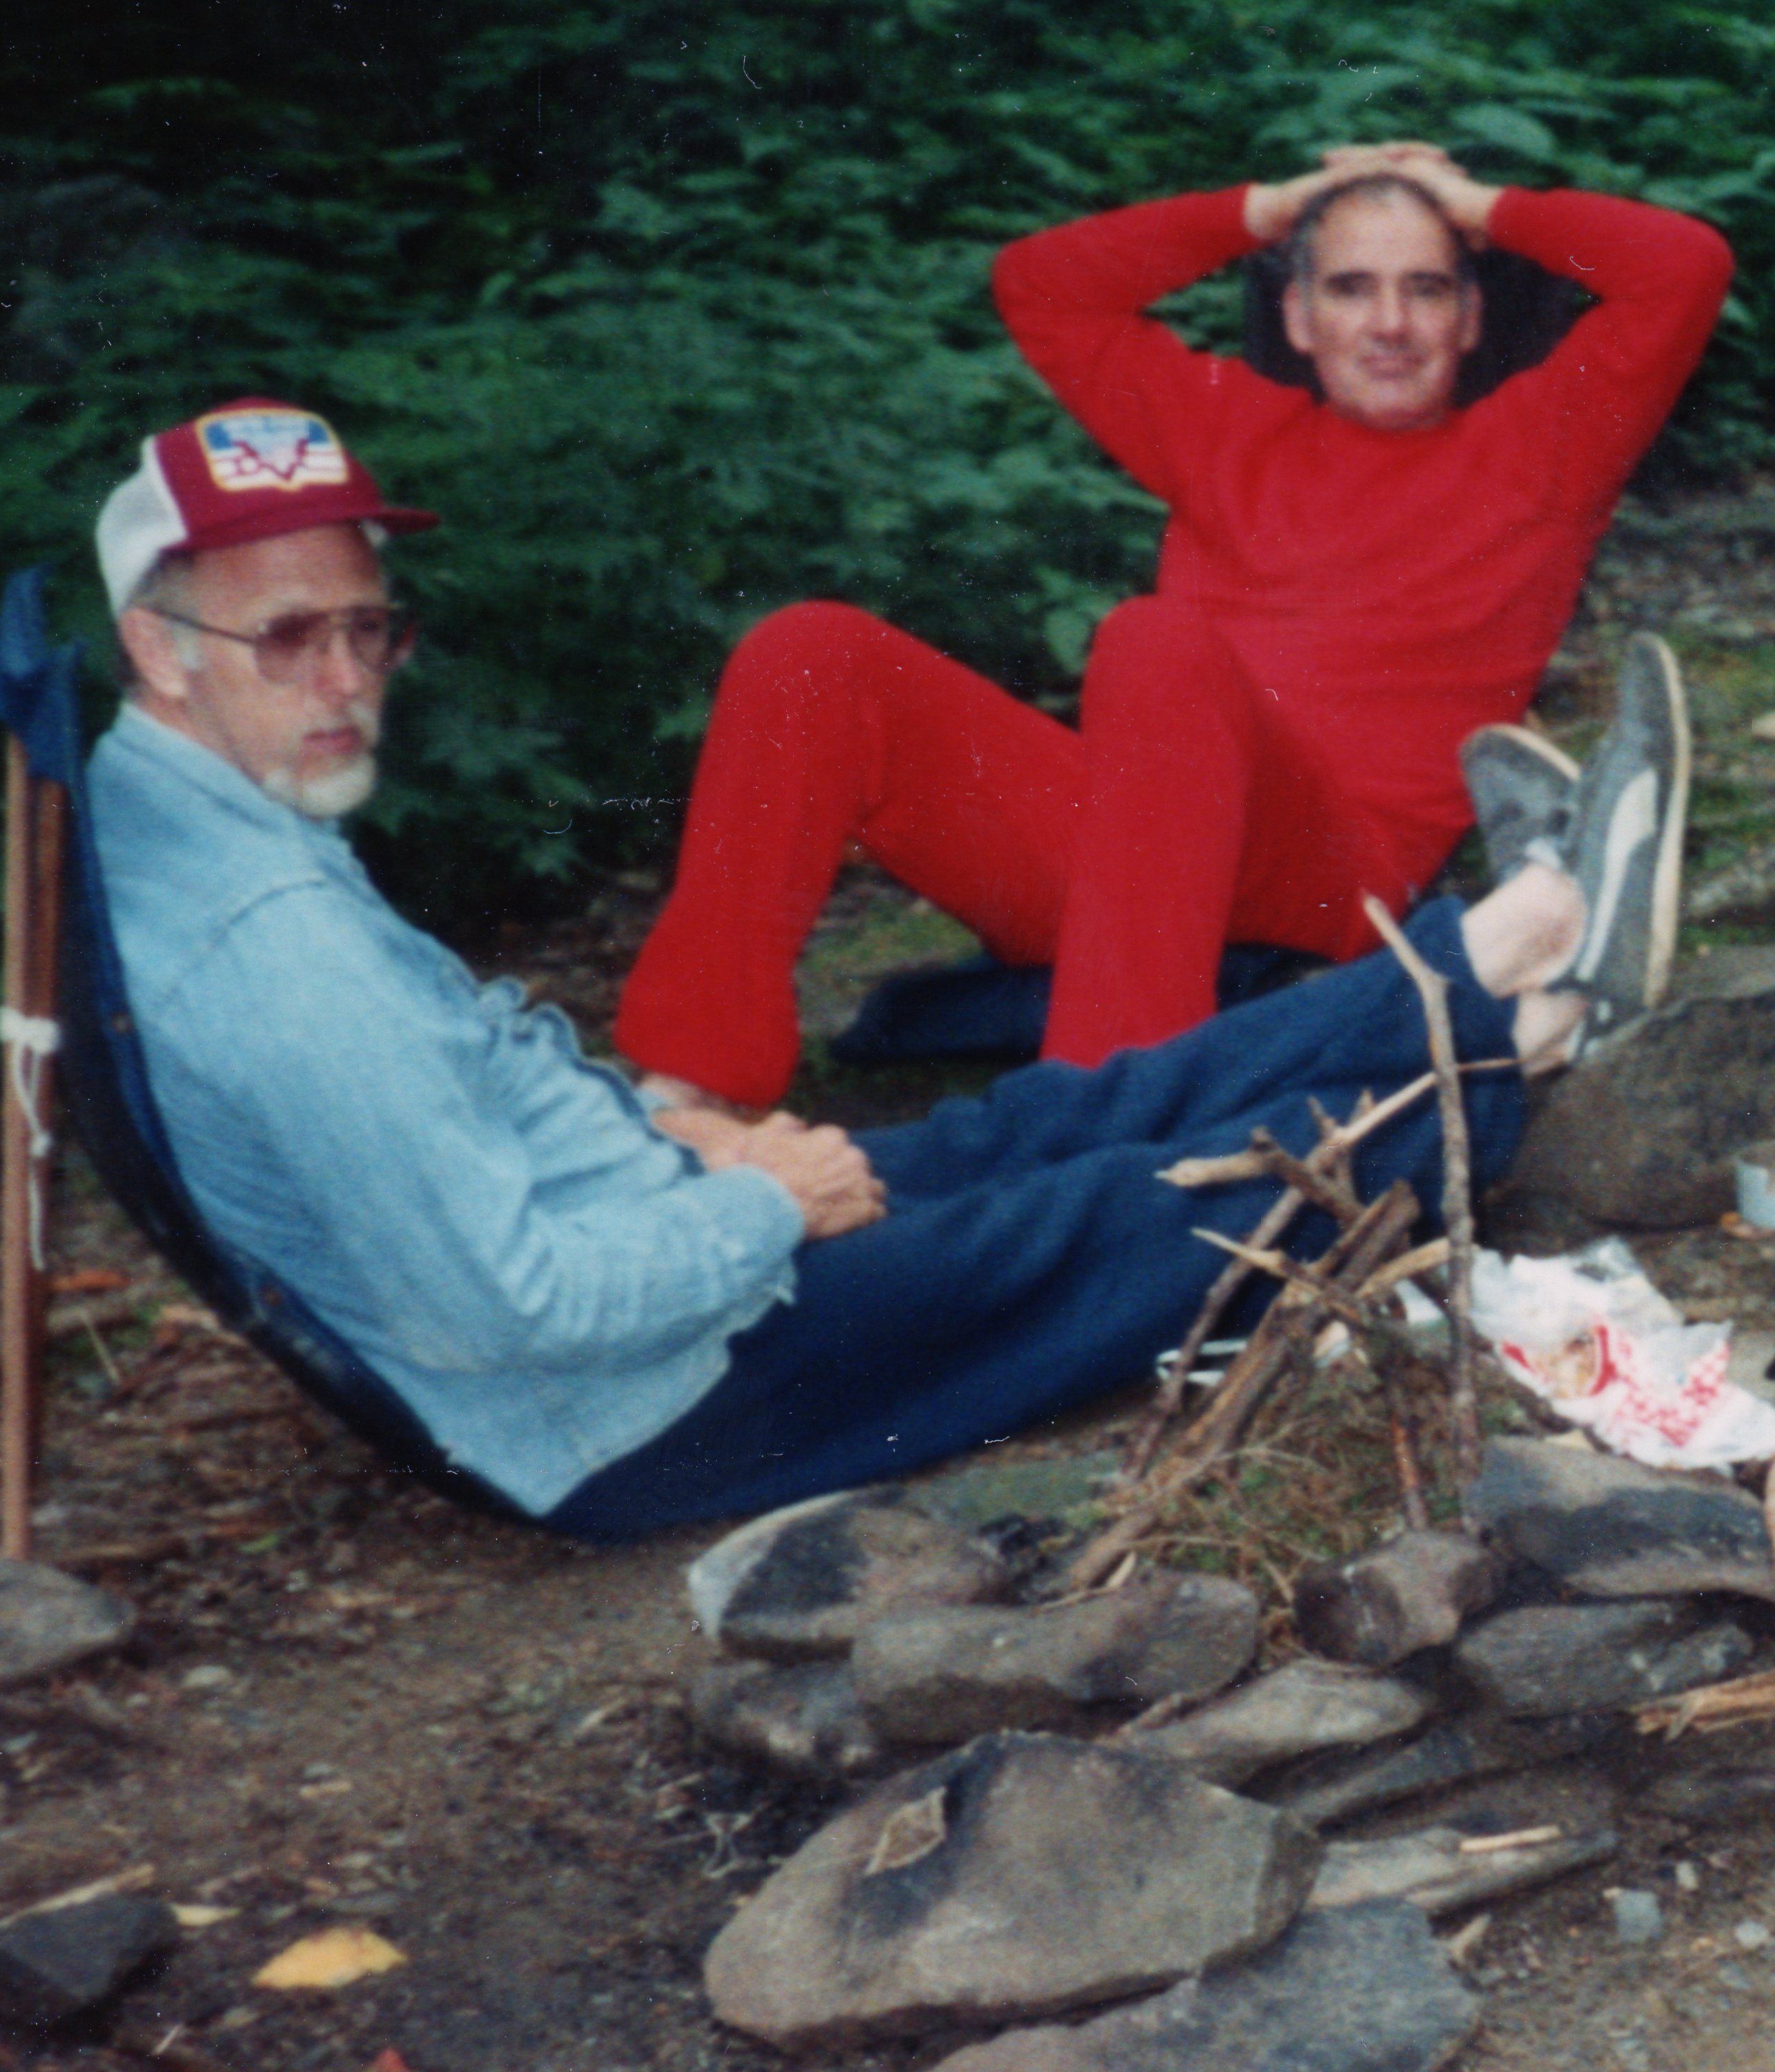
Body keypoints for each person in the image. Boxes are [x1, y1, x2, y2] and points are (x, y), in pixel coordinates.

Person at [85, 400, 1668, 1540]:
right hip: (657, 1401)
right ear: (158, 649)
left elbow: (469, 1135)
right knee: (1106, 1213)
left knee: (1031, 1128)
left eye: (369, 629)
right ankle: (1529, 1030)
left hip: (654, 1252)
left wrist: (676, 1144)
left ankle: (1502, 946)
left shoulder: (201, 827)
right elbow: (511, 1314)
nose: (346, 678)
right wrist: (764, 1206)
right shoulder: (271, 948)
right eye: (289, 638)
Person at [607, 139, 1730, 1106]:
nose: (1389, 324)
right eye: (1349, 288)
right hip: (1136, 854)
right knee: (812, 649)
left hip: (1326, 879)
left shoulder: (1542, 451)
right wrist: (1270, 208)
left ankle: (1102, 1107)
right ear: (1296, 315)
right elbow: (1041, 284)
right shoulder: (1227, 428)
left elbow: (1683, 266)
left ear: (1472, 316)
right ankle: (692, 1086)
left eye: (1427, 288)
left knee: (1158, 644)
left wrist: (1475, 202)